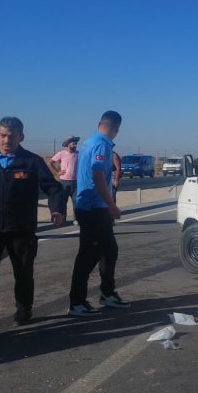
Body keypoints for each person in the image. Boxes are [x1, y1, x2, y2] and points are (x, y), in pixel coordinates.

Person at [0, 117, 65, 339]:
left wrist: (56, 209)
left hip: (21, 228)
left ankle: (23, 309)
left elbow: (53, 188)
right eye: (3, 135)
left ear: (21, 137)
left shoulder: (32, 162)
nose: (7, 140)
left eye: (12, 136)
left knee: (23, 272)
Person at [67, 111, 130, 315]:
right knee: (89, 254)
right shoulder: (102, 145)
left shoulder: (89, 142)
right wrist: (112, 205)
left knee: (109, 250)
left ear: (99, 124)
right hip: (93, 207)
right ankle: (77, 302)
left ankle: (107, 293)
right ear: (116, 128)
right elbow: (98, 176)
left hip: (93, 206)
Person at [48, 136, 80, 220]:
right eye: (73, 143)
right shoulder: (61, 153)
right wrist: (57, 172)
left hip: (76, 181)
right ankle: (63, 218)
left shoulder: (78, 154)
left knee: (76, 201)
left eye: (76, 143)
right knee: (63, 201)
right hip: (64, 182)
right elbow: (50, 163)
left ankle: (76, 219)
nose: (75, 145)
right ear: (68, 144)